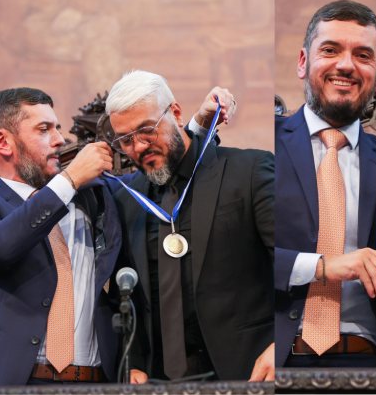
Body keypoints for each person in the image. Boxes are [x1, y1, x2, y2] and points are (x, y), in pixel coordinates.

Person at [275, 0, 376, 369]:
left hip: (368, 364)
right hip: (275, 358)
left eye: (362, 55)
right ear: (302, 62)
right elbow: (236, 258)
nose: (345, 64)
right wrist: (323, 266)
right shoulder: (261, 150)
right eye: (330, 50)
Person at [104, 70, 274, 383]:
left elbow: (290, 262)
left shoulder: (249, 172)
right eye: (125, 141)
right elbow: (124, 296)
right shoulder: (125, 198)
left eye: (147, 131)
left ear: (177, 113)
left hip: (248, 373)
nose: (139, 147)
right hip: (158, 382)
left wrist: (281, 344)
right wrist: (135, 362)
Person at [0, 88, 121, 386]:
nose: (60, 140)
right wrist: (70, 179)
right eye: (44, 129)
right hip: (10, 380)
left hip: (95, 381)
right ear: (2, 142)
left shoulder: (93, 197)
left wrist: (199, 128)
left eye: (58, 128)